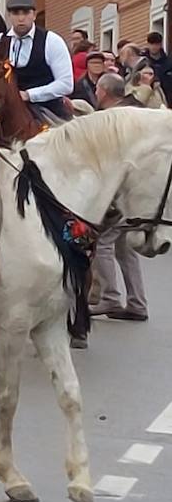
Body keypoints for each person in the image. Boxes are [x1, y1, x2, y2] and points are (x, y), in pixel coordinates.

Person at [91, 73, 149, 321]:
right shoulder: (136, 112)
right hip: (139, 189)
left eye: (96, 90)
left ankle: (110, 297)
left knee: (103, 241)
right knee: (125, 246)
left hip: (123, 190)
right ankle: (137, 302)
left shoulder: (114, 118)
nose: (95, 93)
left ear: (103, 92)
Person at [2, 0, 73, 121]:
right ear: (9, 16)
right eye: (16, 13)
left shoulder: (52, 41)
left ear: (34, 15)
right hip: (7, 110)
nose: (21, 18)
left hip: (46, 108)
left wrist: (30, 95)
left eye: (26, 13)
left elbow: (66, 84)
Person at [141, 31, 172, 104]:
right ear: (148, 44)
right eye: (152, 44)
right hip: (148, 99)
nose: (154, 47)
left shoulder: (169, 63)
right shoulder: (142, 63)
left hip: (168, 99)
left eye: (156, 44)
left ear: (160, 45)